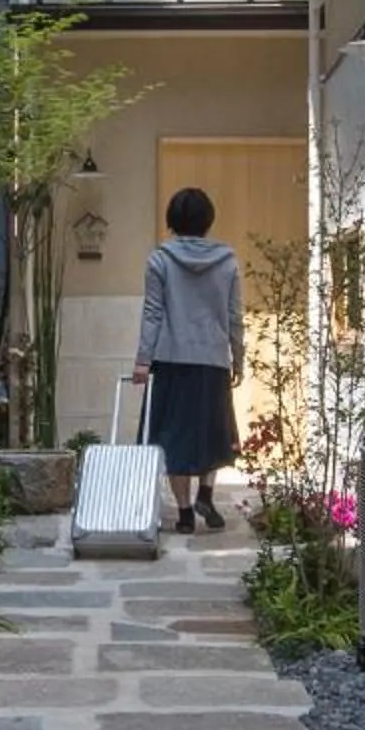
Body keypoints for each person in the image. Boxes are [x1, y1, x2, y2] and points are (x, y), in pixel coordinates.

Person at [131, 186, 245, 535]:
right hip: (212, 359)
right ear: (208, 221)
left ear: (172, 220)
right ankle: (206, 494)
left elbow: (152, 313)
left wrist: (142, 361)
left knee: (172, 436)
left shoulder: (160, 260)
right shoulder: (227, 261)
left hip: (171, 360)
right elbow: (234, 315)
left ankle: (183, 512)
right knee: (212, 431)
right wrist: (238, 357)